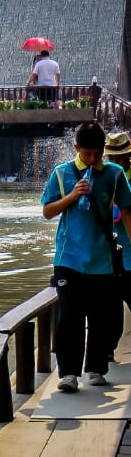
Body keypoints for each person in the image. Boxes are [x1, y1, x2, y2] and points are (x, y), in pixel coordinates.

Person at [41, 122, 131, 393]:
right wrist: (72, 195)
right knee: (70, 316)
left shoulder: (114, 174)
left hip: (101, 258)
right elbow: (47, 211)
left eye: (98, 153)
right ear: (76, 148)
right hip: (68, 258)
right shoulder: (62, 173)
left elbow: (126, 211)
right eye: (88, 153)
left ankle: (95, 368)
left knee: (101, 316)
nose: (93, 159)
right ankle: (68, 373)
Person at [104, 132, 131, 358]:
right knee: (111, 307)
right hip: (109, 253)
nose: (115, 161)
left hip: (130, 251)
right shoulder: (104, 177)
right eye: (112, 157)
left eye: (119, 157)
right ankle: (108, 350)